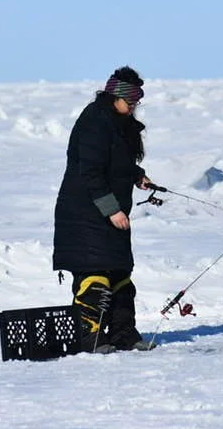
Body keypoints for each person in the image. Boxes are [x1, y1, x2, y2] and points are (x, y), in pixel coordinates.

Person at [53, 66, 157, 353]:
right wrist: (112, 210)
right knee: (94, 276)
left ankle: (123, 335)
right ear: (116, 96)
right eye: (132, 99)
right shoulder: (94, 122)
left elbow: (117, 162)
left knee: (120, 277)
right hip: (84, 215)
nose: (136, 105)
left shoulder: (116, 122)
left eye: (138, 99)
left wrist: (137, 176)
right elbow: (91, 173)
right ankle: (90, 339)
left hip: (108, 214)